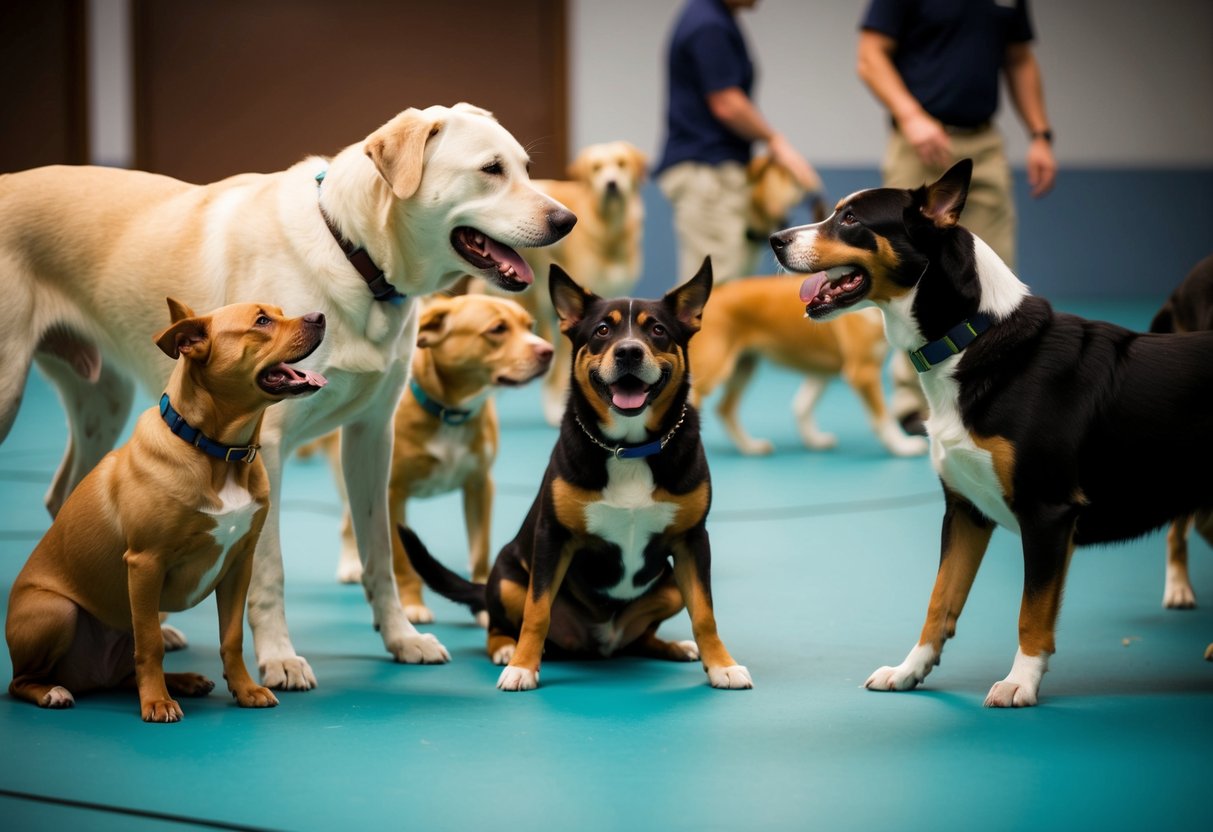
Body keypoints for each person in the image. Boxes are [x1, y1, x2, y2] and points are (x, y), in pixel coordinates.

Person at [857, 0, 1058, 435]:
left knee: (995, 275)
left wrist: (1040, 134)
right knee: (907, 274)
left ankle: (996, 390)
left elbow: (1020, 58)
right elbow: (870, 56)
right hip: (919, 140)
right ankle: (914, 402)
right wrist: (911, 115)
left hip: (982, 142)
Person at [654, 0, 821, 285]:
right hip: (708, 174)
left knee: (725, 284)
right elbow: (726, 102)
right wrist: (774, 141)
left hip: (714, 169)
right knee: (714, 290)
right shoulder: (709, 24)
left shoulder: (715, 18)